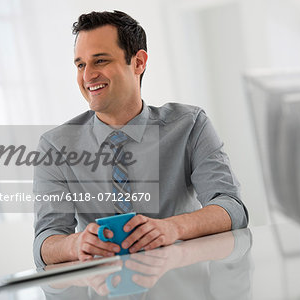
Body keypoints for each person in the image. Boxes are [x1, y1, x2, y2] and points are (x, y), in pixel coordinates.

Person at [33, 10, 248, 268]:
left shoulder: (190, 125)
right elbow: (45, 241)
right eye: (80, 65)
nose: (87, 76)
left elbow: (231, 206)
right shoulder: (55, 146)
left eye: (100, 61)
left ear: (138, 62)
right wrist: (75, 244)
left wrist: (172, 229)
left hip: (184, 285)